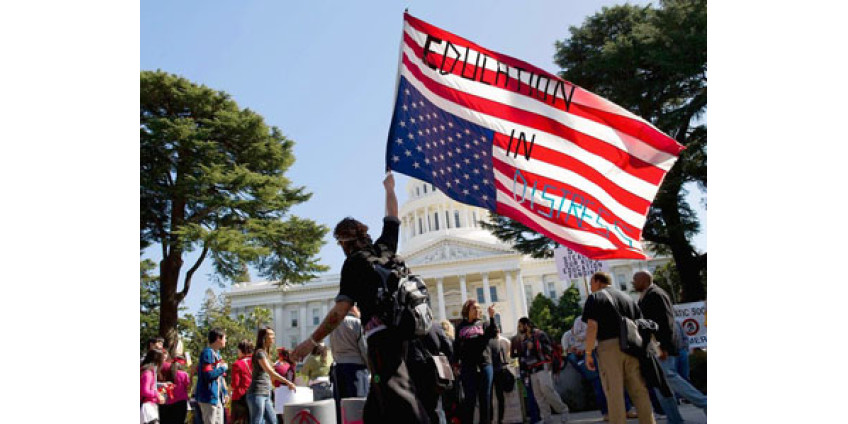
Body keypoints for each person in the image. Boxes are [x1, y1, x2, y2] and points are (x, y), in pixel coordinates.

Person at [291, 171, 428, 423]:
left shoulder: (354, 264)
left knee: (401, 400)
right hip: (406, 332)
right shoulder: (385, 248)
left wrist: (311, 341)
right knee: (376, 407)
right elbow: (393, 217)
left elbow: (339, 312)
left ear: (344, 242)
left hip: (381, 339)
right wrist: (389, 188)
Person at [633, 271, 707, 423]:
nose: (632, 282)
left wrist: (664, 347)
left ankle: (704, 402)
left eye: (635, 279)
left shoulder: (656, 294)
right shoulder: (646, 296)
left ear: (644, 280)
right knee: (661, 387)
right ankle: (674, 419)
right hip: (653, 347)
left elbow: (666, 322)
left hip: (660, 346)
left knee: (669, 377)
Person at [582, 272, 655, 424]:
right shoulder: (628, 298)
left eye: (591, 283)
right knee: (639, 390)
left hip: (609, 347)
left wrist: (588, 352)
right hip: (632, 346)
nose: (590, 287)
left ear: (597, 281)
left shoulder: (595, 297)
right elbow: (642, 324)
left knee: (614, 392)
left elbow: (592, 326)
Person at [563, 320, 637, 421]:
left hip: (600, 351)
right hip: (586, 356)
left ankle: (627, 409)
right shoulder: (572, 330)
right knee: (598, 383)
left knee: (615, 380)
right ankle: (607, 412)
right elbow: (569, 348)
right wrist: (579, 351)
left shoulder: (596, 320)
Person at [517, 317, 568, 424]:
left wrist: (534, 347)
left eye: (520, 326)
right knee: (538, 395)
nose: (518, 328)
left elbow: (548, 349)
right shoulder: (524, 339)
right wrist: (524, 370)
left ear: (526, 325)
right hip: (532, 370)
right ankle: (547, 418)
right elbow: (523, 356)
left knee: (547, 389)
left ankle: (563, 410)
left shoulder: (539, 334)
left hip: (543, 366)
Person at [454, 299, 498, 424]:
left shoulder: (483, 323)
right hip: (468, 367)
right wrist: (455, 364)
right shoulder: (460, 327)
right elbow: (456, 347)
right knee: (469, 400)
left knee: (485, 399)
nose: (478, 310)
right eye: (475, 308)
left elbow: (493, 333)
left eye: (479, 308)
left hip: (484, 365)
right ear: (467, 310)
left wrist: (492, 317)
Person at [246, 326, 297, 424]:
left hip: (266, 392)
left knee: (273, 421)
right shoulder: (259, 353)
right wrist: (288, 382)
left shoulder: (265, 354)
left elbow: (273, 368)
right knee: (257, 421)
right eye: (271, 335)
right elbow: (270, 372)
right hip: (257, 392)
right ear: (264, 338)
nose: (273, 337)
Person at [407, 321, 454, 424]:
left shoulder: (406, 329)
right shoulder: (435, 326)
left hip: (416, 378)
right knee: (438, 410)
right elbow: (449, 348)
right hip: (435, 376)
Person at [329, 305, 369, 423]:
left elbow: (332, 348)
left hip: (339, 367)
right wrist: (370, 367)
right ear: (353, 309)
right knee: (358, 404)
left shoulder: (333, 326)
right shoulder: (357, 323)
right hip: (356, 368)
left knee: (341, 405)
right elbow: (364, 348)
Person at [197, 328, 229, 424]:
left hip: (217, 397)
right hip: (208, 397)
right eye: (224, 338)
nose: (225, 341)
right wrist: (222, 368)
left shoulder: (217, 354)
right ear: (218, 339)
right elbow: (208, 374)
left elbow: (219, 378)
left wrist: (225, 392)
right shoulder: (207, 353)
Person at [160, 355, 191, 424]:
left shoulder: (168, 373)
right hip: (181, 401)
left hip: (169, 401)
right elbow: (188, 386)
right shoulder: (184, 374)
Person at [489, 325, 509, 424]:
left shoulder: (495, 341)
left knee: (492, 397)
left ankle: (494, 419)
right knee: (499, 397)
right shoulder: (501, 341)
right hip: (498, 370)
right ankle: (499, 419)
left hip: (494, 371)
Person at [231, 340, 255, 424]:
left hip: (240, 397)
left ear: (242, 350)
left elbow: (235, 383)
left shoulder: (237, 364)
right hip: (254, 396)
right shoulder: (257, 362)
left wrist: (228, 390)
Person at [141, 349, 166, 424]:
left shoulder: (149, 371)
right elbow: (145, 391)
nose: (164, 361)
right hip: (147, 408)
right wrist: (157, 394)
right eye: (163, 359)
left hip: (149, 406)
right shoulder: (148, 373)